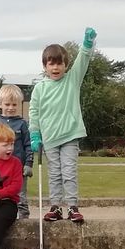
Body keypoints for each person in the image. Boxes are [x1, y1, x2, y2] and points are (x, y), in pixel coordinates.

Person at [28, 27, 97, 224]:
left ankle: (72, 206)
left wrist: (87, 44)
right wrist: (35, 134)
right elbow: (34, 112)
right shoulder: (39, 89)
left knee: (68, 172)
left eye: (60, 64)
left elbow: (83, 61)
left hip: (69, 135)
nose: (56, 68)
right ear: (45, 66)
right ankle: (56, 206)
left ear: (66, 65)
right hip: (49, 138)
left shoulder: (72, 80)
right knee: (54, 174)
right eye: (52, 64)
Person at [0, 84, 33, 220]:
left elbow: (28, 145)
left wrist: (28, 163)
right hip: (0, 169)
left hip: (18, 168)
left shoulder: (22, 124)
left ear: (19, 104)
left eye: (14, 105)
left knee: (20, 196)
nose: (10, 108)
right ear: (0, 104)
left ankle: (23, 220)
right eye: (7, 104)